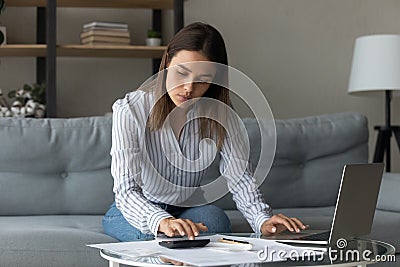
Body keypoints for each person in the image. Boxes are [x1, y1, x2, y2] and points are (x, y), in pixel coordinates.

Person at [103, 22, 306, 242]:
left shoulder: (222, 115)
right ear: (167, 63)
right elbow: (126, 191)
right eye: (181, 73)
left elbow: (240, 178)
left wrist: (263, 220)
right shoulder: (130, 109)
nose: (189, 88)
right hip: (134, 210)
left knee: (217, 222)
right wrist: (163, 222)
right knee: (157, 236)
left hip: (187, 209)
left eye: (202, 80)